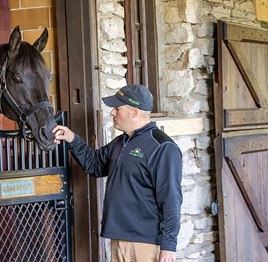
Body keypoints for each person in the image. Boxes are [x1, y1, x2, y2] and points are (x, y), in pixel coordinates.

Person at [52, 84, 183, 262]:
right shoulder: (120, 142)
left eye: (117, 108)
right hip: (118, 239)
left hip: (146, 243)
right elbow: (94, 164)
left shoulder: (162, 147)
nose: (112, 112)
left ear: (134, 112)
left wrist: (169, 246)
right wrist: (72, 139)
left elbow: (171, 198)